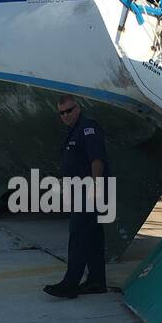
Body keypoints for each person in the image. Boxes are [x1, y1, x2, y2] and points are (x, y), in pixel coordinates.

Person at [44, 95, 111, 298]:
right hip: (80, 189)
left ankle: (70, 283)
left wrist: (95, 187)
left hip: (89, 189)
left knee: (78, 235)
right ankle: (96, 282)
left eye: (69, 111)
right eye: (61, 113)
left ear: (77, 109)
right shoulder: (74, 130)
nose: (65, 115)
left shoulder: (87, 127)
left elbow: (96, 158)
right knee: (92, 237)